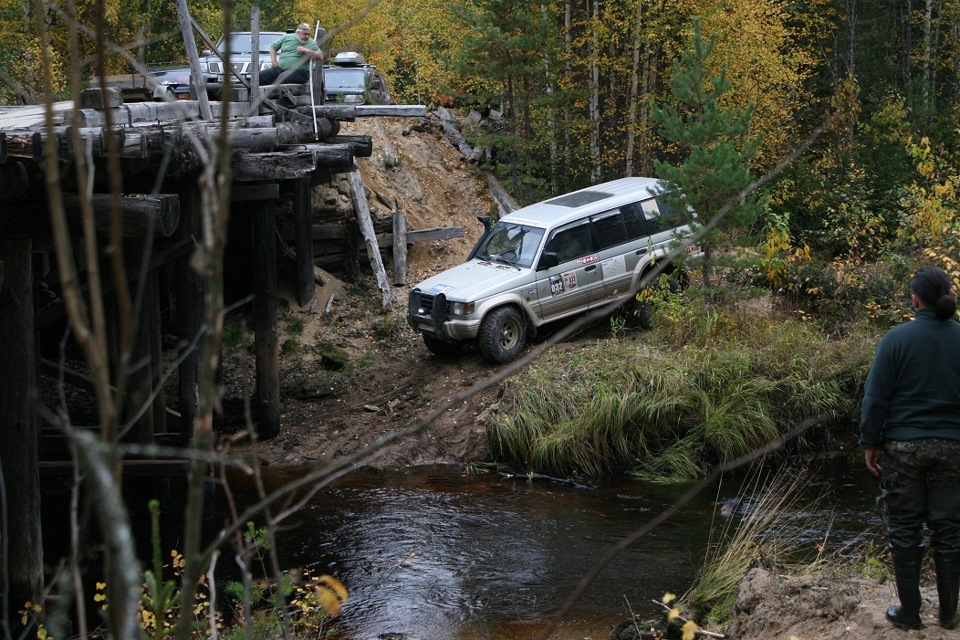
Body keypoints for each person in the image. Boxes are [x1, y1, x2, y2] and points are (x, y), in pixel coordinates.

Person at [861, 266, 960, 630]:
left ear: (915, 298)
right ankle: (949, 614)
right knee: (949, 529)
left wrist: (870, 442)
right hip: (953, 447)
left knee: (904, 528)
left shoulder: (895, 339)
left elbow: (876, 399)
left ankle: (910, 614)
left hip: (902, 448)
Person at [258, 23, 323, 85]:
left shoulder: (311, 43)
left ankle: (275, 94)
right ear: (298, 32)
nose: (307, 36)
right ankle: (254, 95)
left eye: (308, 34)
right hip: (280, 69)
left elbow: (320, 56)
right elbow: (273, 47)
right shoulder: (286, 37)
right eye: (305, 34)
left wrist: (305, 50)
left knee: (283, 77)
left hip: (300, 72)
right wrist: (274, 61)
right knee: (259, 76)